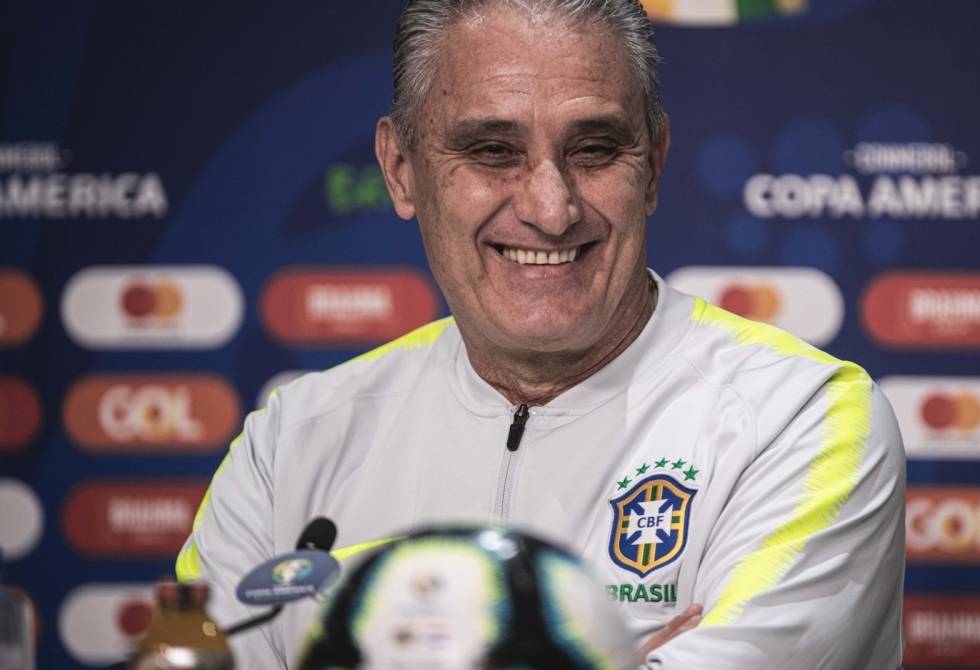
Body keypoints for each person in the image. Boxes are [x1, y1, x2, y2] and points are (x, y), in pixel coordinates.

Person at [176, 0, 906, 667]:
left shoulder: (803, 420)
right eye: (493, 151)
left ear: (652, 163)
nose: (551, 209)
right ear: (400, 171)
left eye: (594, 149)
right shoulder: (289, 446)